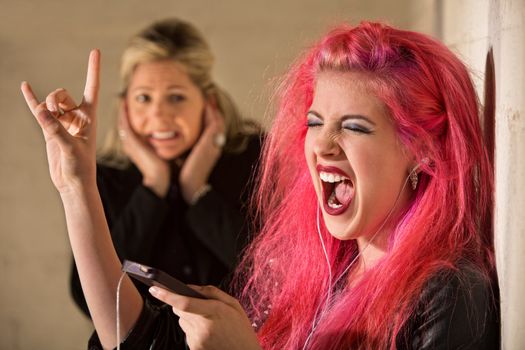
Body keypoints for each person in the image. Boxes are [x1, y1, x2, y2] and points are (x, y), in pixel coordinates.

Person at [22, 21, 499, 349]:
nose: (323, 147)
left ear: (424, 151)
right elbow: (140, 340)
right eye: (315, 122)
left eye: (353, 127)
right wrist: (76, 186)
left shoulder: (449, 292)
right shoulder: (314, 269)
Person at [67, 19, 262, 317]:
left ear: (208, 103)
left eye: (176, 97)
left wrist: (197, 190)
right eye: (143, 98)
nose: (158, 114)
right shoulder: (103, 177)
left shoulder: (253, 158)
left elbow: (270, 278)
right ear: (125, 108)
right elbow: (87, 297)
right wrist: (153, 187)